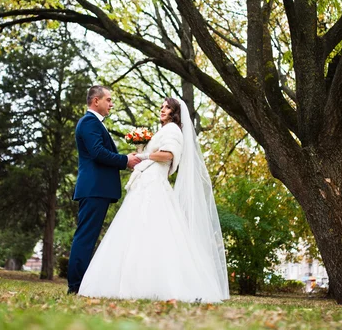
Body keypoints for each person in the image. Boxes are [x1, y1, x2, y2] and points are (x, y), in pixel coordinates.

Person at [78, 97, 230, 303]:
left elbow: (168, 154)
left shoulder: (173, 130)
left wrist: (142, 157)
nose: (162, 109)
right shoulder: (164, 130)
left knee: (154, 230)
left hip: (154, 184)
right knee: (137, 230)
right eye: (161, 107)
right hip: (146, 182)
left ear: (175, 112)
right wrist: (141, 153)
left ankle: (153, 283)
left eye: (167, 107)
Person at [67, 85, 141, 295]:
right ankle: (75, 286)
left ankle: (80, 284)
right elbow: (98, 152)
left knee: (88, 237)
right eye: (108, 100)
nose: (111, 104)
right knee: (85, 237)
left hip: (97, 188)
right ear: (96, 101)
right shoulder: (89, 122)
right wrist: (125, 160)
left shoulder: (95, 123)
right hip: (94, 188)